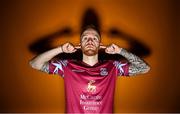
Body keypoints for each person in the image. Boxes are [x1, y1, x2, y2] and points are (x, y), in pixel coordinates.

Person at [29, 25, 150, 113]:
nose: (90, 41)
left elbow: (144, 68)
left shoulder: (113, 67)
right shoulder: (67, 66)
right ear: (80, 44)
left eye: (95, 38)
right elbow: (34, 64)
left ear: (100, 44)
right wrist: (60, 49)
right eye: (85, 38)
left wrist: (120, 51)